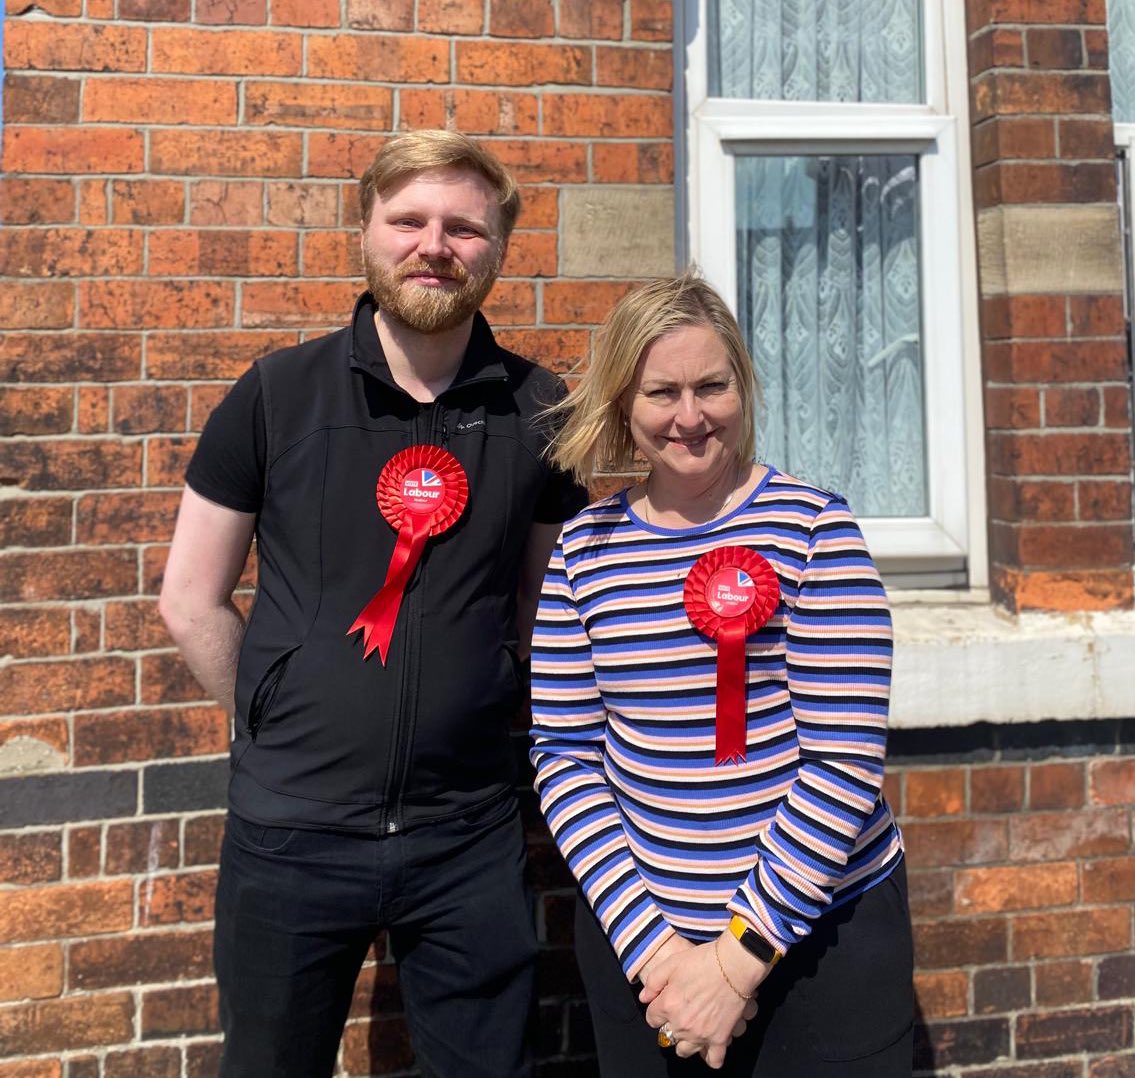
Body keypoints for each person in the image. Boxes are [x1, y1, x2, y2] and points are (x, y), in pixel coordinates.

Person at [159, 129, 588, 1078]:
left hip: (467, 835)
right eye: (409, 220)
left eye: (464, 228)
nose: (435, 244)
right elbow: (191, 598)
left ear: (498, 248)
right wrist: (272, 713)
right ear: (368, 231)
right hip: (291, 836)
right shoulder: (276, 395)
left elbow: (544, 613)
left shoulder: (539, 413)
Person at [529, 272, 913, 1076]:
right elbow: (563, 753)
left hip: (820, 944)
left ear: (744, 383)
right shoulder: (582, 549)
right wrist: (658, 949)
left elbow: (841, 764)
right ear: (622, 406)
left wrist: (735, 962)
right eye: (661, 391)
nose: (690, 415)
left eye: (713, 385)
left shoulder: (813, 528)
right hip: (648, 960)